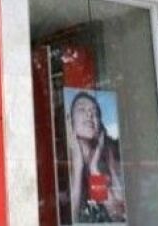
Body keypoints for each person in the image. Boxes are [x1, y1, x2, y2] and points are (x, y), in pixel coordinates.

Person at [67, 91, 126, 223]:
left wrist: (94, 169)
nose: (89, 114)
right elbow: (71, 217)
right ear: (71, 121)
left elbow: (117, 215)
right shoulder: (62, 162)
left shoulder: (109, 160)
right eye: (82, 109)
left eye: (94, 112)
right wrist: (78, 168)